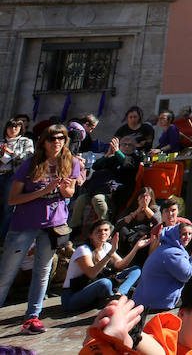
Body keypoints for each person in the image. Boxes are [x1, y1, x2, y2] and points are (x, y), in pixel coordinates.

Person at [0, 123, 84, 333]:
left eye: (61, 139)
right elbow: (13, 199)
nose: (57, 142)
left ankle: (32, 317)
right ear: (44, 142)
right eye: (52, 139)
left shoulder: (71, 162)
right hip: (25, 224)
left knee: (43, 272)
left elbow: (70, 193)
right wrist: (44, 190)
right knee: (7, 272)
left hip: (53, 226)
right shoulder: (29, 165)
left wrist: (66, 190)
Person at [62, 218, 147, 313]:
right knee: (105, 283)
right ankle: (111, 298)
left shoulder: (107, 246)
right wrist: (110, 253)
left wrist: (136, 248)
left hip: (97, 287)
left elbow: (120, 265)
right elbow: (91, 273)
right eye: (99, 231)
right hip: (73, 296)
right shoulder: (83, 250)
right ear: (91, 235)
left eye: (106, 230)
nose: (103, 233)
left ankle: (119, 295)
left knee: (135, 270)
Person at [134, 220, 192, 311]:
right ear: (176, 235)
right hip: (158, 303)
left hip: (149, 299)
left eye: (190, 234)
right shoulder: (172, 253)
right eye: (184, 234)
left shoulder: (167, 249)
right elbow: (188, 276)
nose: (187, 237)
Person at [0, 116, 33, 240]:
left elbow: (28, 157)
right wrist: (3, 154)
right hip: (1, 173)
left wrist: (11, 152)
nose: (13, 129)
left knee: (8, 207)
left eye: (16, 127)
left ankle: (3, 237)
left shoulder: (26, 141)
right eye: (10, 126)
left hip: (14, 176)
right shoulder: (2, 142)